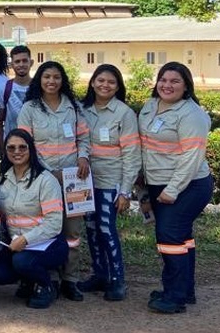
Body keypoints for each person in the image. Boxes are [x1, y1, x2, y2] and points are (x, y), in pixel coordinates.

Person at [140, 62, 213, 314]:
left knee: (169, 235)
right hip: (158, 183)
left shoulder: (191, 114)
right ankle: (184, 289)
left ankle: (175, 297)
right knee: (181, 237)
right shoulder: (151, 106)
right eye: (163, 79)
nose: (167, 85)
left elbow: (192, 157)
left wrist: (172, 190)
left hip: (188, 185)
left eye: (175, 81)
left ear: (186, 86)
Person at [17, 60, 91, 301]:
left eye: (56, 77)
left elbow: (83, 138)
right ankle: (44, 278)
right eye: (47, 76)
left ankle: (70, 279)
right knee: (44, 228)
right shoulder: (30, 108)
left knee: (72, 231)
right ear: (40, 79)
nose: (51, 81)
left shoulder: (74, 107)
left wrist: (83, 158)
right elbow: (25, 145)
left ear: (63, 81)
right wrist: (48, 171)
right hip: (42, 178)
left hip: (74, 179)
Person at [79, 64, 141, 301]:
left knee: (106, 229)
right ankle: (99, 274)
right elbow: (80, 140)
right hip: (85, 182)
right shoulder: (83, 109)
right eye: (100, 80)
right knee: (91, 229)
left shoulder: (123, 113)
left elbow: (132, 154)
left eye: (111, 82)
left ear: (118, 87)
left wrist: (125, 192)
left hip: (111, 181)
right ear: (92, 82)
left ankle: (117, 280)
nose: (105, 85)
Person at [0, 129, 68, 309]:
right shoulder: (2, 179)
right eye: (11, 148)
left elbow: (54, 224)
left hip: (48, 244)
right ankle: (28, 280)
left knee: (22, 261)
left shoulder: (45, 180)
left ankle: (47, 285)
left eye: (22, 147)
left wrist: (26, 239)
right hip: (15, 244)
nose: (16, 152)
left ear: (31, 149)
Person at [1, 45, 33, 136]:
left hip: (36, 144)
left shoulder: (40, 87)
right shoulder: (5, 88)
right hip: (11, 144)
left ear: (31, 62)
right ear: (11, 65)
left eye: (24, 61)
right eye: (17, 61)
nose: (21, 64)